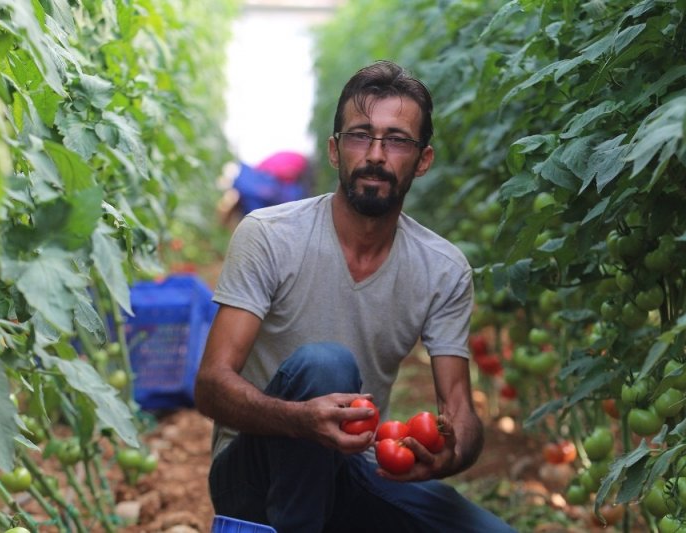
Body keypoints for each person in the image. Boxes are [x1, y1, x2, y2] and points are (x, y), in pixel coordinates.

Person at [194, 60, 516, 533]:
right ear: (335, 150)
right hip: (253, 475)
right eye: (361, 135)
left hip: (356, 468)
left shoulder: (443, 269)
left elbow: (460, 411)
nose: (377, 155)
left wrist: (449, 453)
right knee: (326, 366)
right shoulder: (270, 236)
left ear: (422, 160)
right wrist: (299, 419)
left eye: (397, 140)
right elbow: (211, 385)